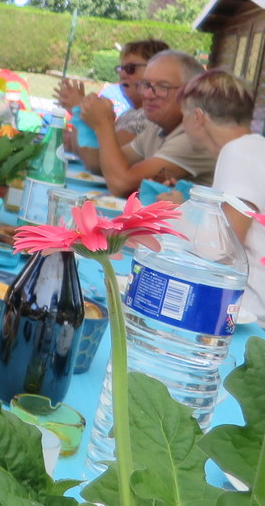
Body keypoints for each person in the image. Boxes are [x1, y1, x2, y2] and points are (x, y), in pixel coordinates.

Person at [173, 69, 265, 316]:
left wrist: (179, 214)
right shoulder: (254, 149)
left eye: (183, 116)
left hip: (248, 309)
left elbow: (223, 247)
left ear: (197, 118)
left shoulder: (238, 152)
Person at [76, 49, 215, 196]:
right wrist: (83, 115)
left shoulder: (194, 135)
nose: (147, 95)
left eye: (162, 87)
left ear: (190, 94)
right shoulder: (156, 126)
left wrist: (103, 125)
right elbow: (97, 164)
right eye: (146, 85)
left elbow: (121, 184)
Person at [58, 38, 168, 155]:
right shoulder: (130, 114)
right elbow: (86, 150)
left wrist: (80, 109)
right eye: (121, 69)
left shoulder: (149, 118)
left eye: (131, 69)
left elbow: (101, 156)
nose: (122, 74)